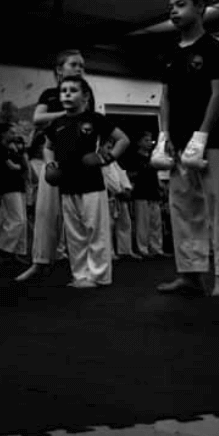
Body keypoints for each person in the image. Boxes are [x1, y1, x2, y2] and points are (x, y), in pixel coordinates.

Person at [151, 0, 219, 298]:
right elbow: (165, 98)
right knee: (183, 208)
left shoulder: (214, 49)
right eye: (171, 6)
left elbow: (218, 93)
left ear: (200, 7)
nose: (173, 11)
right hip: (178, 142)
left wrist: (202, 135)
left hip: (214, 140)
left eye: (180, 4)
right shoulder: (169, 53)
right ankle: (190, 275)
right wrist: (164, 136)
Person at [16, 50, 96, 282]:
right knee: (45, 214)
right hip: (51, 159)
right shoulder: (50, 94)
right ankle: (39, 263)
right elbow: (37, 118)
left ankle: (86, 268)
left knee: (81, 216)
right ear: (60, 69)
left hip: (77, 161)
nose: (79, 69)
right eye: (74, 64)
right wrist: (67, 112)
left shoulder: (86, 94)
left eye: (82, 65)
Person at [42, 75, 129, 288]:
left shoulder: (95, 119)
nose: (67, 94)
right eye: (63, 91)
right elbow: (47, 147)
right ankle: (80, 276)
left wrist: (106, 158)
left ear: (85, 96)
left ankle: (100, 276)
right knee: (74, 235)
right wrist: (50, 164)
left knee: (96, 231)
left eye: (73, 90)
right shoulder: (57, 123)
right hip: (67, 185)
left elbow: (123, 140)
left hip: (92, 184)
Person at [0, 124, 29, 263]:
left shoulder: (12, 148)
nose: (14, 135)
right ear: (3, 134)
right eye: (11, 132)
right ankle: (0, 248)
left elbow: (21, 166)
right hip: (9, 186)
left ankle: (17, 250)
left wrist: (21, 163)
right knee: (17, 219)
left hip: (18, 186)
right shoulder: (1, 149)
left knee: (21, 220)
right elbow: (13, 167)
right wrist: (21, 165)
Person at [127, 133, 166, 258]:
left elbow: (155, 175)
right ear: (139, 142)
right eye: (146, 140)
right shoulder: (134, 158)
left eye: (150, 140)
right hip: (141, 192)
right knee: (143, 224)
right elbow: (131, 175)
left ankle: (157, 248)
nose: (149, 143)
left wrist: (160, 186)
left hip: (153, 192)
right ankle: (143, 248)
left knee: (156, 223)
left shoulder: (152, 157)